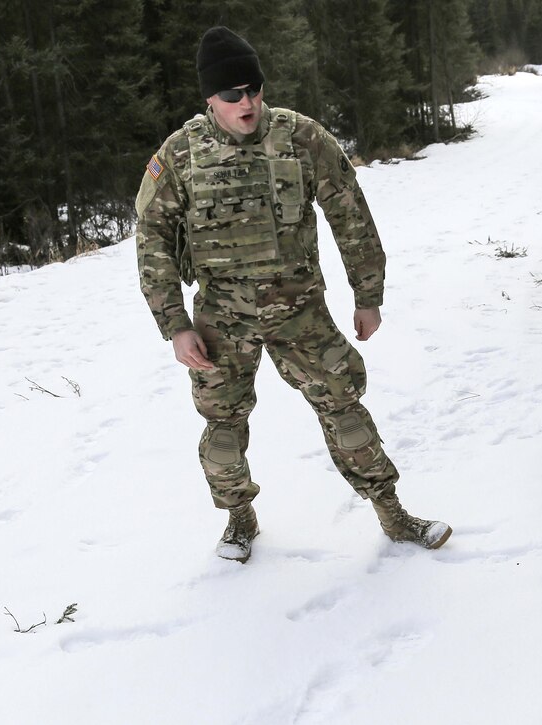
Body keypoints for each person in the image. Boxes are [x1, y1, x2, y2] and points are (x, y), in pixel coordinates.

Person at [135, 26, 451, 562]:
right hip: (222, 318)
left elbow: (350, 213)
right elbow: (152, 238)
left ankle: (393, 515)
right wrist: (175, 323)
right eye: (233, 94)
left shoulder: (301, 137)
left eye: (254, 88)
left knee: (345, 408)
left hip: (300, 309)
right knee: (223, 427)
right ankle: (239, 519)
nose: (248, 102)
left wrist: (367, 294)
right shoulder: (180, 155)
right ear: (209, 97)